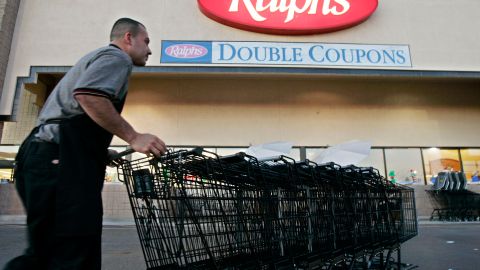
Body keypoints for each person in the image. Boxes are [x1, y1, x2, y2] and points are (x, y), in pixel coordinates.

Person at [3, 18, 166, 270]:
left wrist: (101, 151)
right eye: (146, 42)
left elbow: (73, 114)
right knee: (72, 250)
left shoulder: (99, 58)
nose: (150, 50)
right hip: (59, 160)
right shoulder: (117, 58)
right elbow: (89, 95)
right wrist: (134, 137)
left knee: (46, 253)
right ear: (128, 38)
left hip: (46, 155)